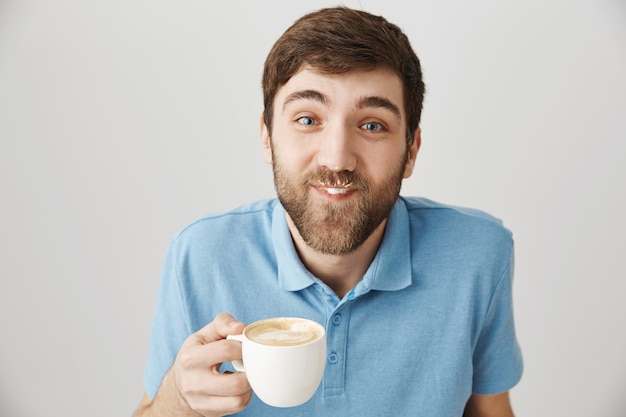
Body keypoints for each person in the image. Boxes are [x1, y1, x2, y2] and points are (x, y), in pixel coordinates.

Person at [133, 6, 523, 417]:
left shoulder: (479, 256)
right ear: (267, 138)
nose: (337, 160)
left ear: (410, 151)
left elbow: (492, 410)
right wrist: (177, 398)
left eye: (372, 125)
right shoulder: (198, 256)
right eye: (307, 119)